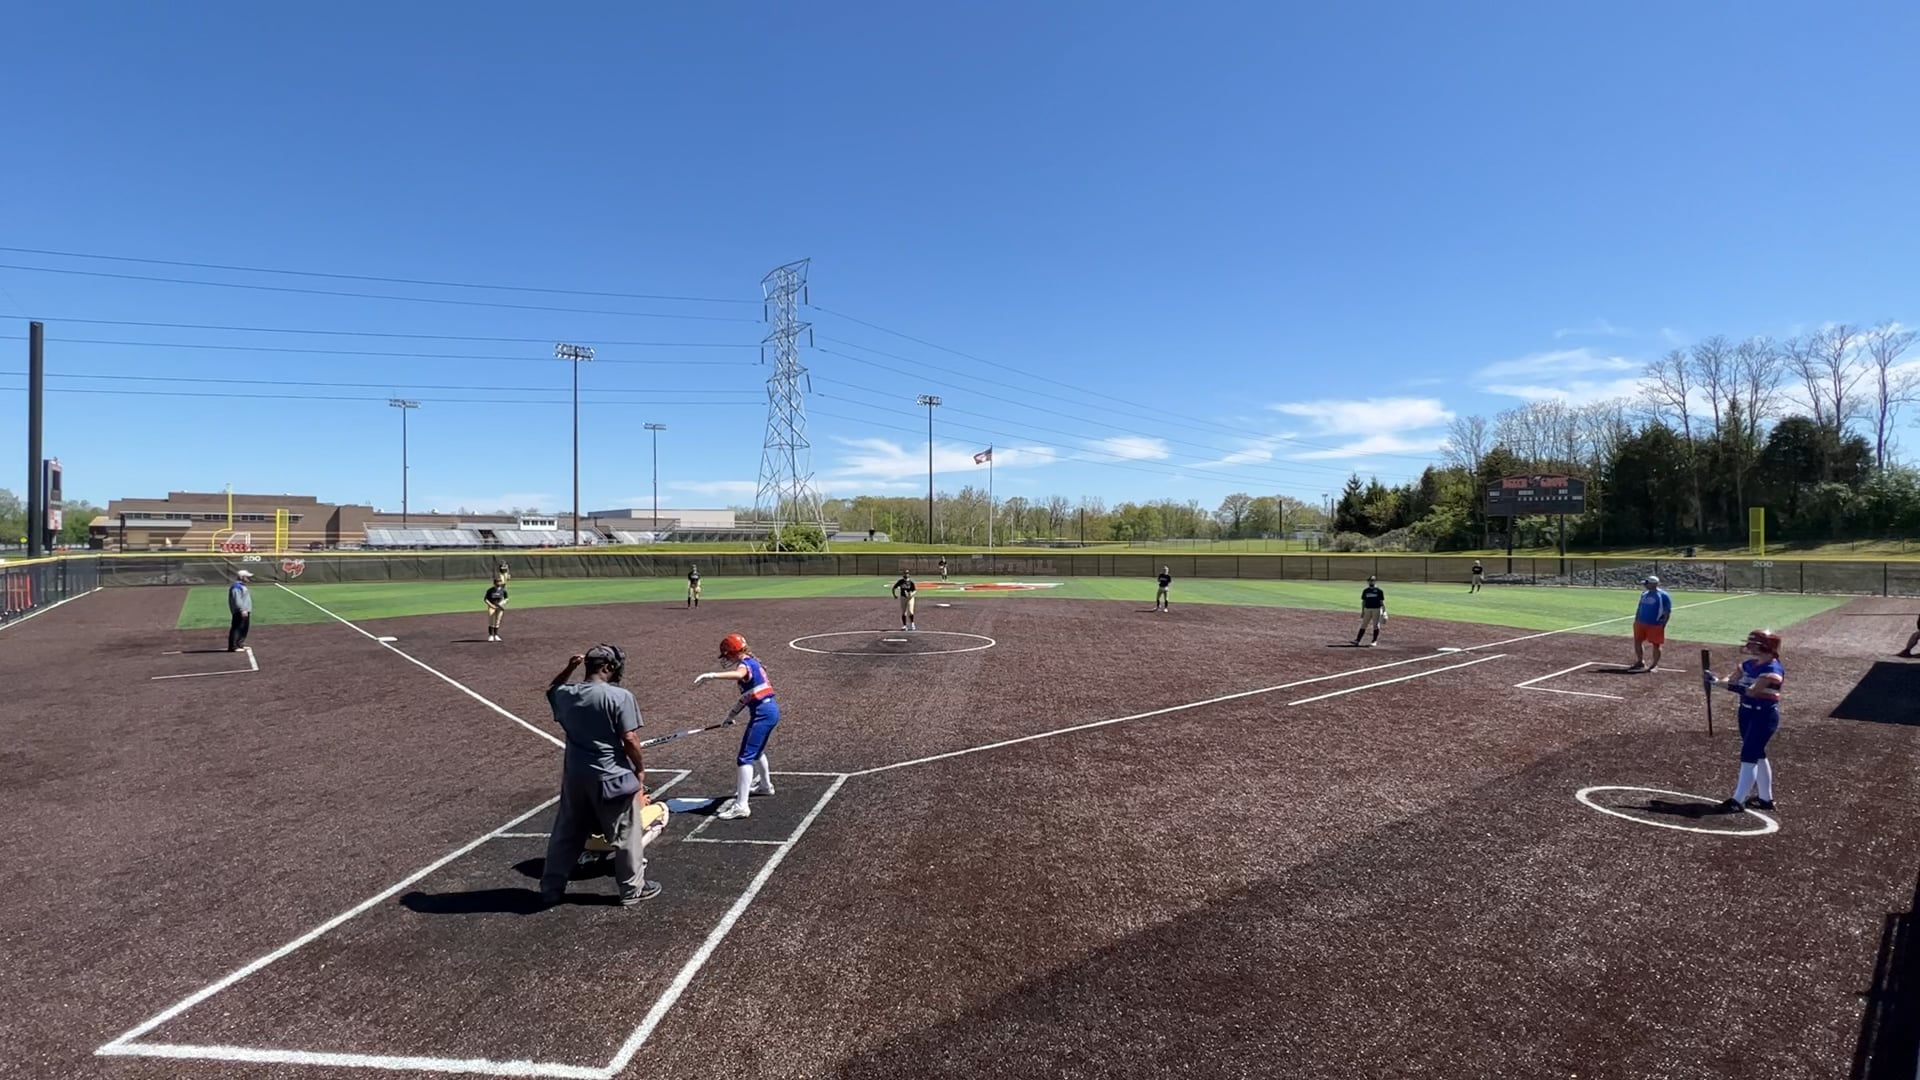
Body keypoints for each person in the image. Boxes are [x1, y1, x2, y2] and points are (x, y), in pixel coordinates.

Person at [539, 645, 663, 907]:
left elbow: (552, 689)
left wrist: (569, 668)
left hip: (575, 777)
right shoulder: (620, 696)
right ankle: (632, 890)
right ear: (607, 667)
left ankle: (551, 888)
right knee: (626, 834)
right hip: (611, 776)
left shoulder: (566, 694)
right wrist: (640, 767)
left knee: (566, 833)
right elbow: (629, 737)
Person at [693, 633, 780, 820]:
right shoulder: (752, 663)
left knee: (744, 758)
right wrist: (730, 716)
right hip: (769, 711)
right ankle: (765, 786)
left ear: (732, 652)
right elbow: (746, 698)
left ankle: (741, 806)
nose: (726, 659)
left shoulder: (745, 665)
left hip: (763, 714)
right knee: (757, 751)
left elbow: (739, 674)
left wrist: (712, 675)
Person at [1704, 629, 1785, 812]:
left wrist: (1720, 684)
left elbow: (1752, 691)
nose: (1749, 646)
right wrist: (1716, 680)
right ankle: (1765, 799)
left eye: (1754, 643)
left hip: (1763, 716)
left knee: (1749, 754)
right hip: (1746, 713)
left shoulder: (1772, 670)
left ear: (1766, 646)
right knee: (1757, 753)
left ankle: (1738, 800)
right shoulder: (1748, 664)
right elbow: (1731, 680)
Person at [1626, 575, 1672, 672]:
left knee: (1656, 644)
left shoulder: (1663, 595)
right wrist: (1636, 619)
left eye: (1647, 583)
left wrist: (1663, 624)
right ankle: (1640, 661)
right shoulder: (1644, 594)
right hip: (1640, 623)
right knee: (1637, 641)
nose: (1645, 585)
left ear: (1654, 584)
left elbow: (1667, 611)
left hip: (1655, 624)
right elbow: (1640, 607)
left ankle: (1654, 665)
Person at [1354, 575, 1386, 646]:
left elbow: (1381, 602)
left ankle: (1374, 641)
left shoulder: (1379, 591)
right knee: (1363, 624)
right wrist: (1363, 611)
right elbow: (1363, 602)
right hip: (1367, 609)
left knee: (1376, 625)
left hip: (1376, 609)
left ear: (1375, 581)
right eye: (1370, 580)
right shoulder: (1366, 591)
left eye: (1372, 580)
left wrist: (1384, 611)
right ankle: (1358, 640)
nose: (1371, 582)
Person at [484, 562, 510, 643]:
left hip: (499, 606)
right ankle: (491, 636)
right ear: (494, 583)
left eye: (500, 582)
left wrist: (502, 603)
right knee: (491, 621)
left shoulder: (503, 590)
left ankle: (496, 635)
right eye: (497, 582)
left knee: (498, 620)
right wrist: (491, 606)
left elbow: (506, 598)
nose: (499, 584)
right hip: (492, 606)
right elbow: (485, 599)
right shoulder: (490, 590)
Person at [227, 570, 253, 652]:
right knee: (237, 627)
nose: (248, 578)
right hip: (240, 611)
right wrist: (242, 609)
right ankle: (233, 646)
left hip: (245, 610)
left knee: (244, 628)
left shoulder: (242, 586)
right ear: (242, 577)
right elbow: (237, 599)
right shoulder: (236, 586)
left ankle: (239, 643)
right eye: (247, 577)